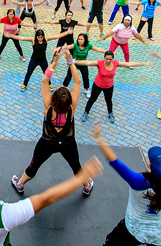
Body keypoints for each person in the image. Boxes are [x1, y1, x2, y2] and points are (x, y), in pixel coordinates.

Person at [11, 49, 99, 195]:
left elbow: (45, 80)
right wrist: (70, 61)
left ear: (53, 99)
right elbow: (77, 81)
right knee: (76, 167)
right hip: (68, 143)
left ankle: (20, 184)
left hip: (47, 142)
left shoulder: (48, 106)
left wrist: (54, 61)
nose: (60, 86)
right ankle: (86, 186)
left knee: (34, 165)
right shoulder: (72, 107)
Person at [77, 51, 152, 123]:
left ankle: (110, 113)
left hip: (109, 86)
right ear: (104, 57)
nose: (108, 61)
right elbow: (87, 62)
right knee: (92, 99)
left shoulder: (115, 63)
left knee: (109, 100)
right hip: (98, 85)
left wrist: (144, 63)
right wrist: (73, 62)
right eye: (107, 59)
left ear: (113, 59)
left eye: (110, 59)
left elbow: (129, 64)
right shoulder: (99, 63)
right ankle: (86, 112)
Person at [7, 29, 71, 92]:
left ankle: (49, 84)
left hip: (43, 61)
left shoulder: (46, 39)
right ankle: (24, 84)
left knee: (47, 73)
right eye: (38, 37)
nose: (40, 38)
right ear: (36, 36)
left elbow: (57, 36)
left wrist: (67, 32)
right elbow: (22, 38)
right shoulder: (33, 40)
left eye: (41, 37)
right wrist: (11, 35)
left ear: (43, 36)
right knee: (29, 73)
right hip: (34, 60)